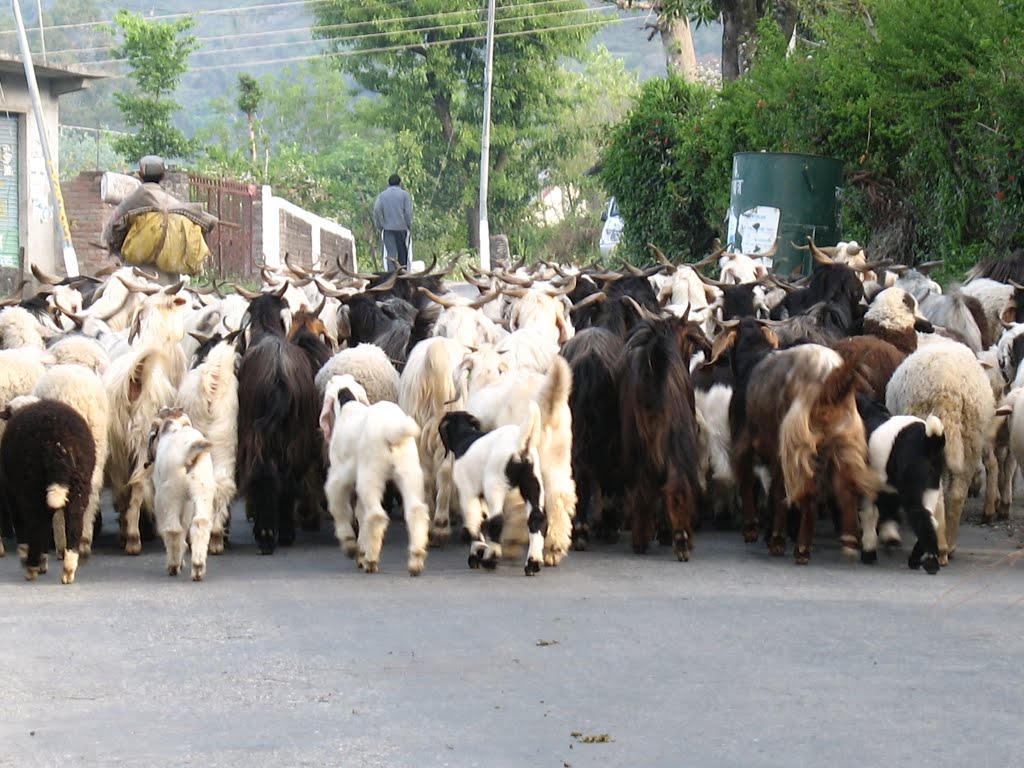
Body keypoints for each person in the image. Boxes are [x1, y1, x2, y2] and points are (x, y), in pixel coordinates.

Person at [101, 155, 218, 285]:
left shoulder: (132, 200)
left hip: (135, 277)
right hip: (170, 280)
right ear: (163, 176)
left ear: (140, 174)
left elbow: (111, 230)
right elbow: (205, 223)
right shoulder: (174, 204)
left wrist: (116, 250)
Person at [372, 173, 413, 270]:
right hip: (402, 228)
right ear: (400, 183)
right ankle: (403, 276)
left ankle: (391, 276)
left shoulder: (382, 195)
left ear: (388, 184)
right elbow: (408, 213)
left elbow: (376, 210)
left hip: (388, 229)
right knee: (403, 253)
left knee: (391, 255)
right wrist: (408, 225)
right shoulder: (405, 195)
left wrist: (380, 225)